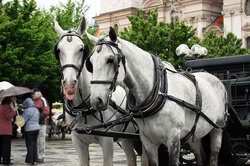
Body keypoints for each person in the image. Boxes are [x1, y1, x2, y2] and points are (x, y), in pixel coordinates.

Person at [32, 88, 49, 163]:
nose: (32, 95)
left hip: (41, 124)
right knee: (35, 140)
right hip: (34, 124)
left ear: (38, 93)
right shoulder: (33, 101)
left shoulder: (43, 100)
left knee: (41, 140)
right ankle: (35, 155)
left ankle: (41, 155)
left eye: (34, 94)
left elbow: (46, 111)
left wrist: (38, 118)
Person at [22, 98, 40, 165]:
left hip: (29, 129)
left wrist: (20, 117)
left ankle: (30, 160)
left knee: (29, 145)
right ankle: (35, 159)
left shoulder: (26, 111)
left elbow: (23, 120)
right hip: (37, 128)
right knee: (34, 144)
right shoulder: (37, 110)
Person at [0, 96, 17, 165]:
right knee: (6, 146)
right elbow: (8, 116)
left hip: (0, 129)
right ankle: (6, 161)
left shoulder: (0, 106)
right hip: (6, 129)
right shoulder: (7, 107)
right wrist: (14, 111)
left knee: (0, 145)